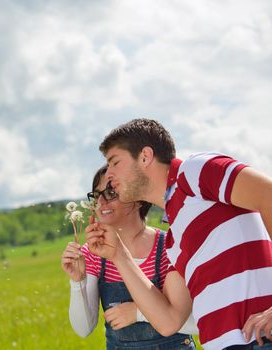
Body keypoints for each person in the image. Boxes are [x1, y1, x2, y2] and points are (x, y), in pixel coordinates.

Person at [87, 118, 272, 349]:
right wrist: (119, 255)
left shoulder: (193, 172)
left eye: (115, 162)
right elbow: (169, 321)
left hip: (261, 340)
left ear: (145, 156)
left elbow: (268, 194)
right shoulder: (175, 236)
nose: (110, 176)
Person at [62, 164, 197, 349]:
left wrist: (138, 313)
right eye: (96, 194)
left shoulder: (169, 248)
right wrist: (78, 282)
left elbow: (199, 323)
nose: (101, 202)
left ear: (139, 197)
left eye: (111, 192)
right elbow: (83, 329)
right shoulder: (92, 254)